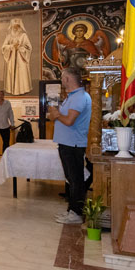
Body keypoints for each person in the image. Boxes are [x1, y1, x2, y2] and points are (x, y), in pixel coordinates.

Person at [47, 66, 92, 225]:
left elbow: (69, 121)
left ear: (67, 79)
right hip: (66, 143)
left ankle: (76, 213)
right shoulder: (71, 96)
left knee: (75, 179)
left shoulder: (80, 97)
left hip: (73, 144)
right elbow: (57, 117)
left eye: (62, 78)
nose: (61, 81)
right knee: (71, 179)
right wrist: (55, 114)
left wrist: (57, 114)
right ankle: (72, 210)